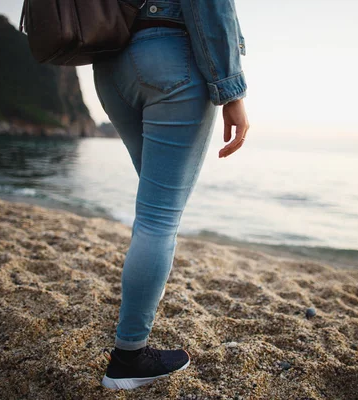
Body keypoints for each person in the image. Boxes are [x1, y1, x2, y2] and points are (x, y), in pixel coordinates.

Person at [93, 0, 249, 390]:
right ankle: (129, 356)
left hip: (111, 64)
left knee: (151, 212)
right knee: (158, 220)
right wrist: (233, 93)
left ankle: (134, 333)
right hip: (171, 60)